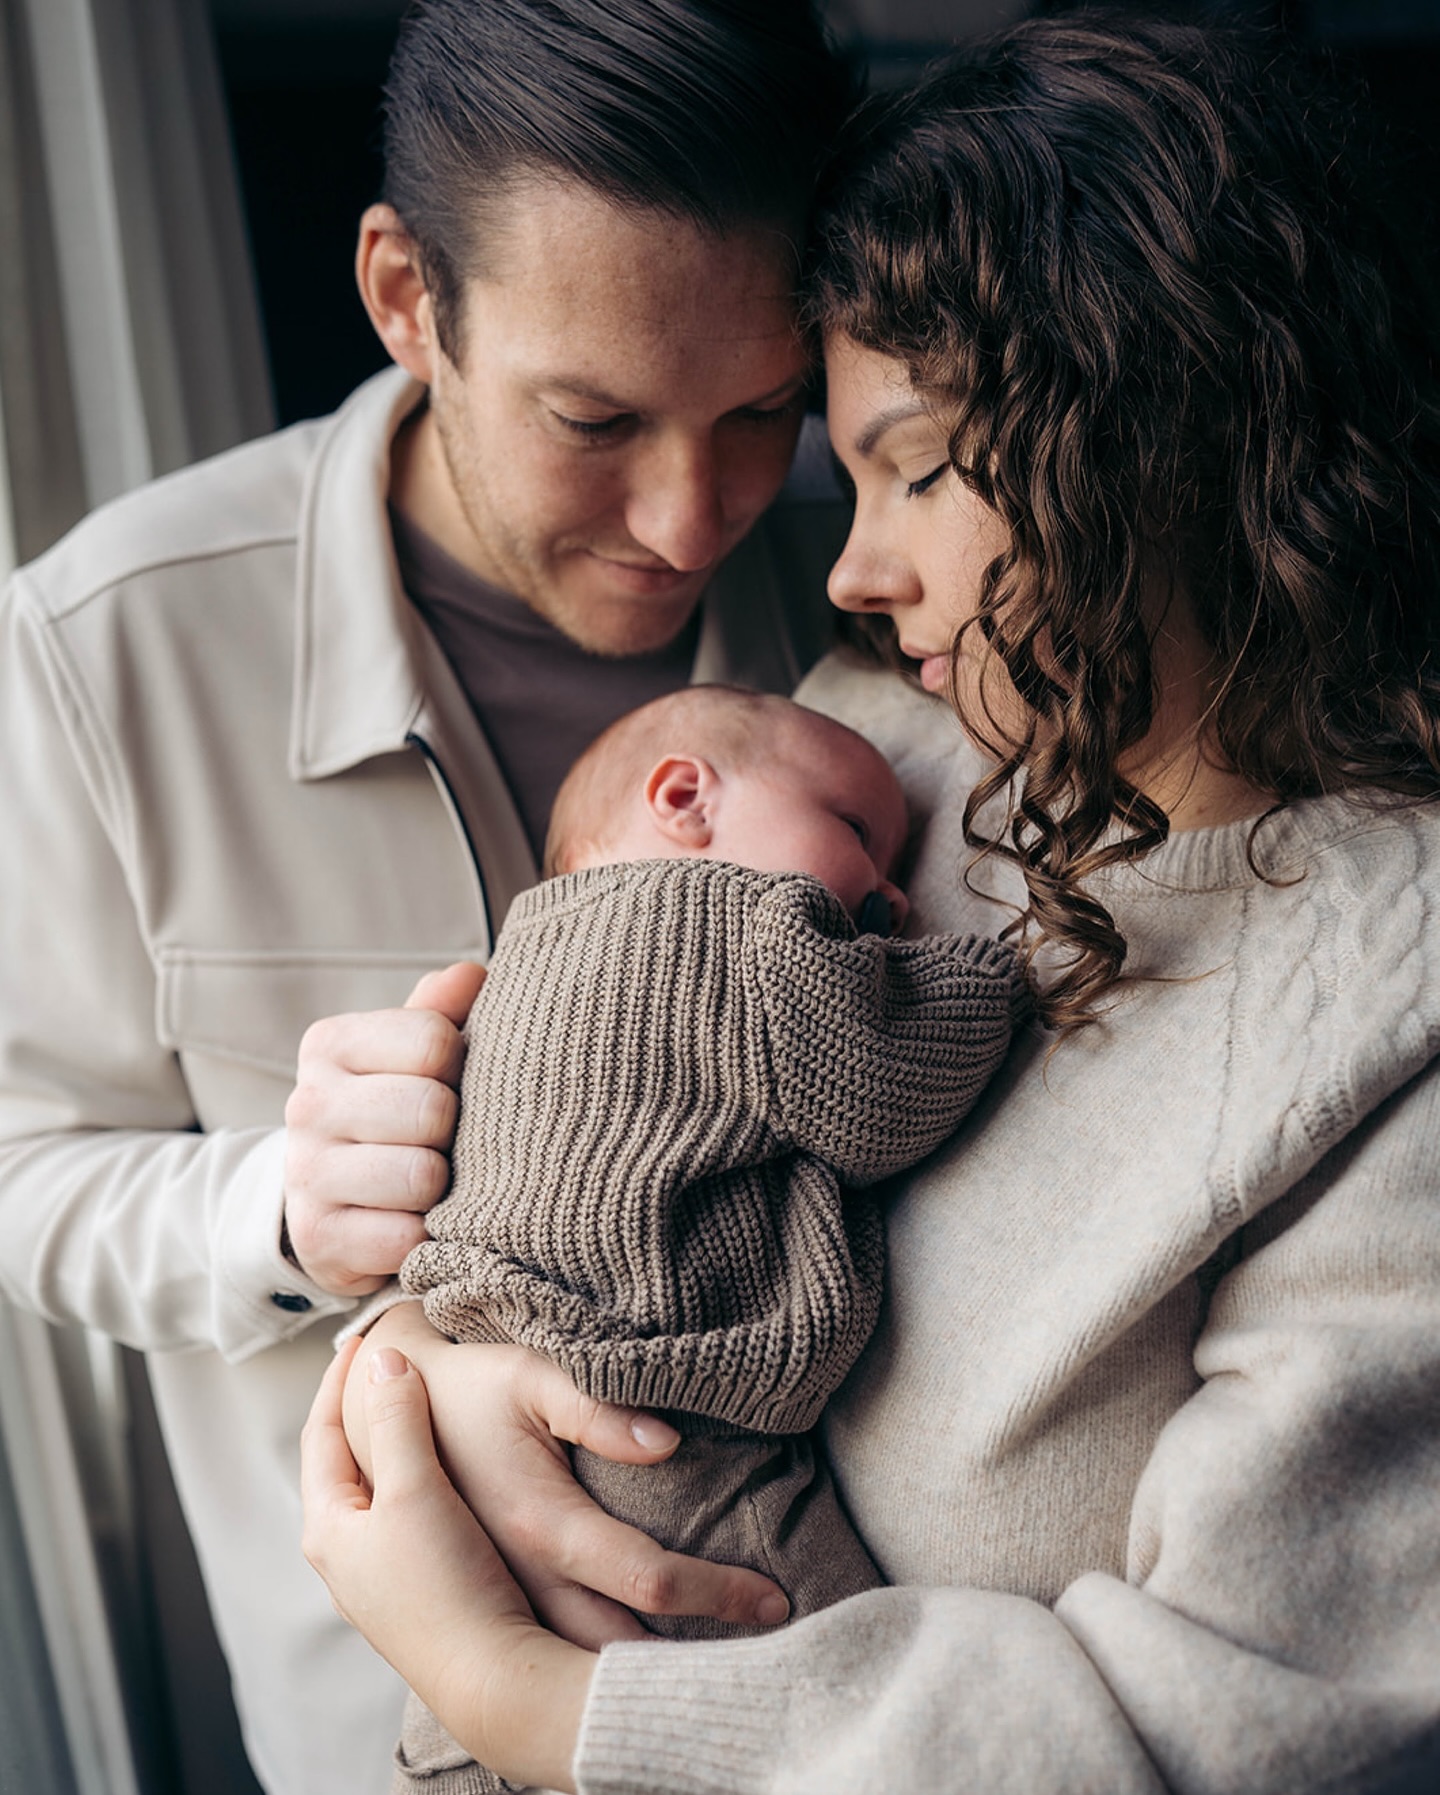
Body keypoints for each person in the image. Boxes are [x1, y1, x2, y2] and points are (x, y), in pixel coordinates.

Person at [300, 15, 1440, 1794]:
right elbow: (604, 1142)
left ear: (1151, 429)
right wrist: (424, 1363)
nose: (843, 565)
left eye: (910, 465)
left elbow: (1239, 1728)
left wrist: (524, 1696)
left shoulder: (1391, 1012)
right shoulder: (880, 742)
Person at [0, 5, 856, 1792]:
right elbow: (19, 1164)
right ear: (408, 297)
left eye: (764, 412)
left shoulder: (884, 599)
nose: (693, 516)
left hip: (830, 1699)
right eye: (595, 417)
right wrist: (276, 1215)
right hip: (378, 1735)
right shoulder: (103, 653)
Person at [349, 684, 1023, 1790]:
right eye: (858, 833)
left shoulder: (524, 954)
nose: (894, 898)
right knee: (827, 1657)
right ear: (684, 797)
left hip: (491, 1381)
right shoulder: (744, 935)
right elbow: (886, 1079)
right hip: (662, 1417)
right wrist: (997, 972)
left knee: (476, 1709)